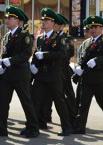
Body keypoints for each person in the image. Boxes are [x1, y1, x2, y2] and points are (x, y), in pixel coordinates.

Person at [0, 6, 39, 138]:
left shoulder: (25, 35)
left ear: (18, 21)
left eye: (11, 18)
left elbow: (26, 54)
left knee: (26, 101)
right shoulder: (7, 36)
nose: (7, 20)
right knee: (2, 102)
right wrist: (0, 65)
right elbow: (4, 54)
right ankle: (1, 128)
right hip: (7, 74)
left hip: (20, 74)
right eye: (7, 18)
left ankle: (33, 128)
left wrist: (11, 61)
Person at [73, 15, 103, 134]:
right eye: (90, 27)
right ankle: (80, 126)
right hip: (87, 78)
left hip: (100, 78)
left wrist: (97, 61)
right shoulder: (87, 42)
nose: (92, 29)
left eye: (95, 27)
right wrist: (79, 66)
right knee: (82, 103)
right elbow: (82, 58)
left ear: (101, 28)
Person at [30, 8, 72, 136]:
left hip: (54, 74)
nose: (43, 22)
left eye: (47, 20)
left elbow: (62, 54)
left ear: (53, 23)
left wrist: (46, 55)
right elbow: (36, 54)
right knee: (35, 100)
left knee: (59, 101)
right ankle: (33, 127)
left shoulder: (59, 38)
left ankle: (66, 127)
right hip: (41, 74)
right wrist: (33, 66)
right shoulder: (40, 38)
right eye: (43, 20)